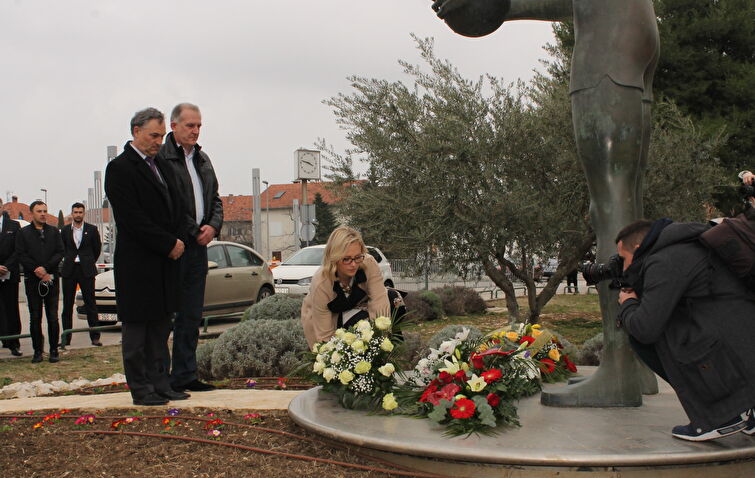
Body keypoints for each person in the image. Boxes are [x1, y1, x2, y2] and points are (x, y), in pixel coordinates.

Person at [431, 0, 661, 406]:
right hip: (638, 35)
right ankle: (637, 362)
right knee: (626, 201)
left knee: (611, 206)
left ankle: (620, 371)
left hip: (607, 44)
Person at [616, 219, 755, 441]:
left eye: (623, 259)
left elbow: (645, 329)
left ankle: (720, 417)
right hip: (742, 336)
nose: (623, 267)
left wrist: (628, 304)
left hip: (731, 345)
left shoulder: (665, 261)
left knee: (645, 339)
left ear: (638, 249)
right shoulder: (687, 244)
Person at [104, 107, 189, 406]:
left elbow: (177, 206)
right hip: (138, 265)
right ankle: (141, 389)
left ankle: (161, 383)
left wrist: (180, 238)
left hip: (165, 264)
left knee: (159, 329)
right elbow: (132, 218)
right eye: (153, 135)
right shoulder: (120, 169)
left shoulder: (162, 166)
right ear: (136, 131)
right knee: (138, 332)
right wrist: (168, 243)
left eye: (162, 135)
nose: (158, 141)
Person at [157, 103, 223, 393]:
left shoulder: (203, 159)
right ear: (174, 126)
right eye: (189, 126)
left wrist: (213, 226)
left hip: (198, 248)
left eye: (199, 126)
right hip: (175, 247)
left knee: (191, 315)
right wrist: (194, 230)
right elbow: (168, 203)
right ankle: (161, 378)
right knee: (165, 315)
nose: (195, 131)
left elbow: (216, 199)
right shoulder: (162, 158)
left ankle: (185, 375)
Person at [301, 227, 392, 348]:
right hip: (323, 320)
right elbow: (324, 335)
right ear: (334, 258)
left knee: (394, 298)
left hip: (354, 309)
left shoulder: (368, 264)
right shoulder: (321, 283)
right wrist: (330, 357)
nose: (354, 264)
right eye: (346, 259)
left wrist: (380, 342)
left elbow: (379, 301)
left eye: (358, 257)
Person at [15, 201, 64, 363]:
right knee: (35, 317)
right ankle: (37, 351)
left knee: (52, 317)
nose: (43, 214)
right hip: (32, 280)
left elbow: (60, 252)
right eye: (39, 211)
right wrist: (36, 269)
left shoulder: (54, 232)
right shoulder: (24, 233)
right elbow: (21, 254)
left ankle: (54, 350)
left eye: (45, 211)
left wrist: (46, 269)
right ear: (32, 213)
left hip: (50, 279)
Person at [60, 202, 102, 348]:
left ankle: (95, 336)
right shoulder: (65, 230)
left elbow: (97, 249)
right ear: (72, 214)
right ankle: (66, 337)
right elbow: (62, 248)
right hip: (69, 270)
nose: (78, 215)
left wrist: (87, 261)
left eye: (80, 212)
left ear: (84, 214)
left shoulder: (92, 229)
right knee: (67, 305)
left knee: (91, 304)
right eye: (75, 212)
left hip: (86, 271)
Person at [0, 211, 22, 357]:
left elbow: (18, 249)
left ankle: (14, 343)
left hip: (9, 274)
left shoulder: (14, 225)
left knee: (11, 309)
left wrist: (6, 267)